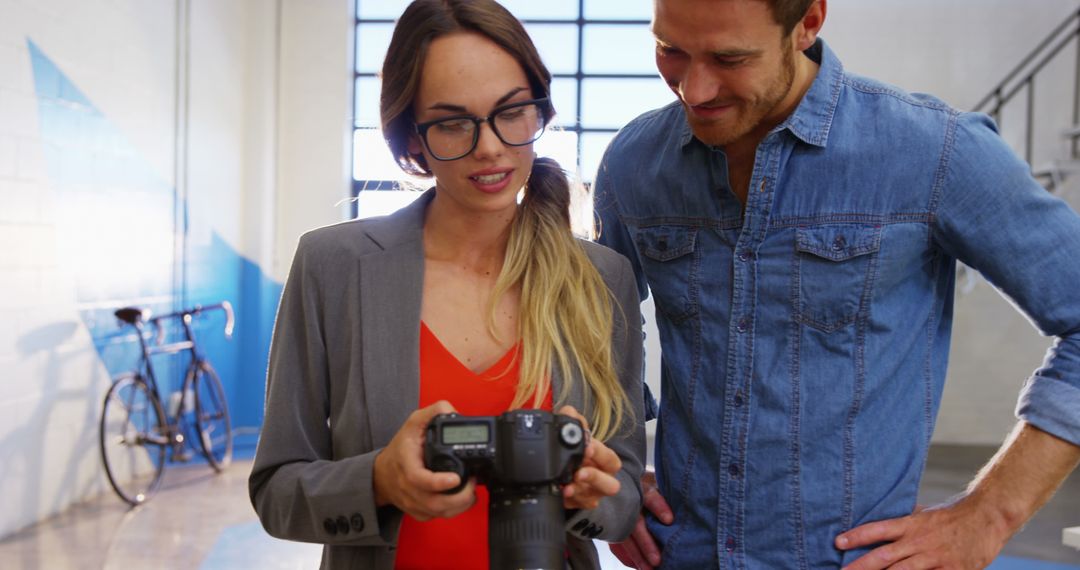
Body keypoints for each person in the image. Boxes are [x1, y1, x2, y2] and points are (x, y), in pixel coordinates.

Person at [594, 0, 1080, 568]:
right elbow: (595, 331)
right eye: (670, 50)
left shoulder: (932, 152)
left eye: (730, 58)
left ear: (807, 24)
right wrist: (619, 477)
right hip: (681, 554)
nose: (694, 91)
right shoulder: (633, 162)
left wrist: (988, 516)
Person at [248, 1, 646, 568]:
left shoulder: (601, 280)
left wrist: (593, 492)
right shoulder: (332, 267)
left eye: (512, 112)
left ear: (540, 113)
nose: (489, 147)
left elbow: (625, 491)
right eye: (453, 122)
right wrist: (379, 480)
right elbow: (275, 491)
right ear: (411, 139)